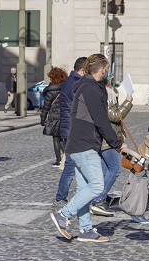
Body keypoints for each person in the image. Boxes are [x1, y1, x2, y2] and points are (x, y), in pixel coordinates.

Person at [49, 54, 125, 243]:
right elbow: (100, 119)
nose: (108, 73)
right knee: (97, 186)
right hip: (85, 144)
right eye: (107, 70)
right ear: (102, 70)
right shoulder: (91, 89)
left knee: (84, 188)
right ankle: (63, 215)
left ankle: (85, 230)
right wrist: (116, 143)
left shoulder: (86, 86)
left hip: (77, 144)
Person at [89, 81, 133, 218]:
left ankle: (97, 199)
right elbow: (114, 116)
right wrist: (128, 101)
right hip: (106, 141)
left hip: (107, 139)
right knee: (114, 168)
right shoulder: (104, 96)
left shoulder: (109, 95)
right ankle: (98, 200)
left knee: (104, 172)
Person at [53, 57, 87, 209]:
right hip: (73, 130)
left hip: (70, 129)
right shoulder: (75, 83)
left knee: (73, 164)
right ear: (82, 70)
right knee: (71, 166)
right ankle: (61, 197)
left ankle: (63, 196)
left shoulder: (70, 81)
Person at [40, 67, 67, 166]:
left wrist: (43, 119)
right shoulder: (65, 88)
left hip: (53, 118)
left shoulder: (50, 91)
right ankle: (66, 157)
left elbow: (46, 107)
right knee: (61, 138)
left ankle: (59, 159)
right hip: (64, 116)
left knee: (56, 139)